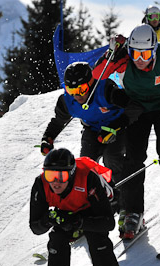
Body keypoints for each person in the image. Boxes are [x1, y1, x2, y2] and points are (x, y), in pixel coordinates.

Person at [93, 24, 160, 239]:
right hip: (138, 109)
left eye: (146, 53)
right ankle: (133, 211)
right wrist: (111, 52)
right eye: (135, 53)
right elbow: (97, 75)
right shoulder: (123, 59)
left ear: (154, 50)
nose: (140, 58)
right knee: (133, 159)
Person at [40, 61, 144, 218]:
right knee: (84, 166)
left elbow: (134, 106)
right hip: (93, 130)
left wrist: (116, 126)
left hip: (116, 128)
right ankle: (87, 206)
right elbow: (58, 121)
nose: (77, 95)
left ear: (91, 83)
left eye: (81, 89)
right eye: (71, 90)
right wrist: (47, 139)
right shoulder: (68, 101)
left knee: (112, 158)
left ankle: (126, 206)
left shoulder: (105, 90)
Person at [29, 148, 122, 266]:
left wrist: (80, 222)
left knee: (96, 235)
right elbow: (35, 227)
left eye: (61, 176)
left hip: (93, 210)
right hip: (66, 212)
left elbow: (108, 223)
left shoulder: (88, 179)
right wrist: (49, 219)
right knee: (57, 237)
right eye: (50, 175)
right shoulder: (41, 184)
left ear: (71, 174)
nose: (55, 182)